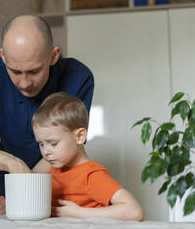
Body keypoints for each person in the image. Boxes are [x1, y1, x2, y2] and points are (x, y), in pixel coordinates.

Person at [0, 15, 94, 216]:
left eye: (34, 71)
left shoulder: (78, 76)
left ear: (53, 56)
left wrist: (23, 193)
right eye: (15, 71)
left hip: (59, 188)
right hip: (3, 190)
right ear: (3, 57)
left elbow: (68, 145)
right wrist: (12, 163)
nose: (25, 83)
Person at [31, 92, 144, 221]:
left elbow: (134, 211)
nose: (45, 152)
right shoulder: (51, 166)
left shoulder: (91, 175)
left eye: (53, 143)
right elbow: (27, 179)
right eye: (41, 144)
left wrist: (79, 213)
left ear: (79, 137)